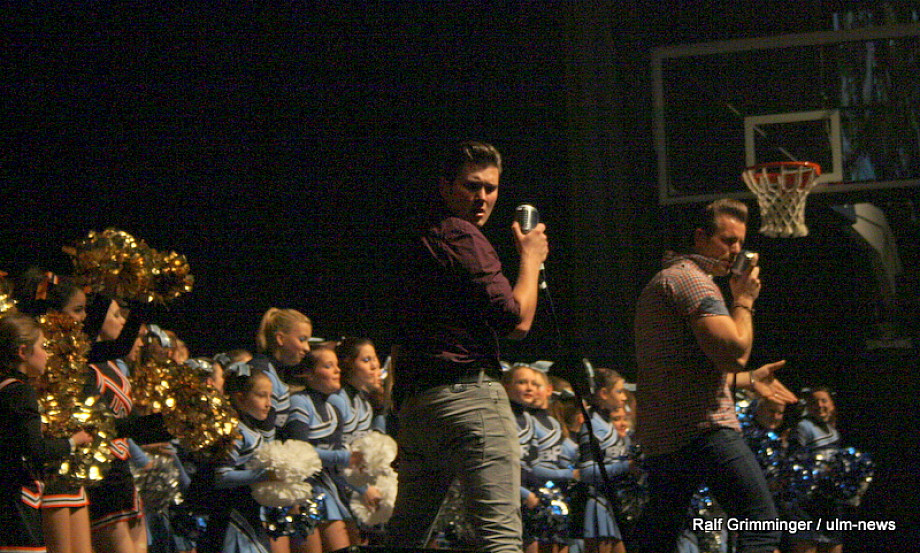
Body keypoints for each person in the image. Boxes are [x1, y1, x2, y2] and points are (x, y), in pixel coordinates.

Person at [388, 140, 549, 553]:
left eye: (490, 188)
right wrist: (530, 259)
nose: (482, 197)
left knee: (405, 541)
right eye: (471, 186)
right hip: (469, 399)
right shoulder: (462, 234)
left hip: (419, 407)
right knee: (500, 539)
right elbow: (517, 322)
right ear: (446, 187)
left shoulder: (418, 238)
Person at [633, 198, 797, 553]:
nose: (736, 251)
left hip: (668, 437)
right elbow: (735, 354)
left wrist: (750, 380)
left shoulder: (668, 279)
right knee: (762, 526)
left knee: (657, 538)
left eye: (740, 242)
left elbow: (684, 371)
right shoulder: (694, 282)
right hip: (704, 430)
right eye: (727, 240)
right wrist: (744, 300)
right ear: (700, 238)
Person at [0, 313, 93, 552]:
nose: (47, 354)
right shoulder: (20, 393)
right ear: (23, 352)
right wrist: (73, 442)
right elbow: (35, 449)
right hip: (14, 502)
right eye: (42, 347)